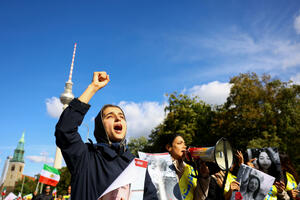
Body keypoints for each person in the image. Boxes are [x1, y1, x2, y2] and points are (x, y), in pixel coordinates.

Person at [55, 71, 158, 200]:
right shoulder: (85, 156)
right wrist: (93, 87)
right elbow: (65, 129)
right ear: (100, 126)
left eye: (122, 117)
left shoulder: (136, 165)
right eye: (110, 116)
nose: (118, 119)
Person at [163, 133, 210, 200]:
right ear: (169, 147)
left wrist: (204, 177)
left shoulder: (190, 169)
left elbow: (199, 198)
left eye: (184, 144)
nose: (184, 146)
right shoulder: (162, 168)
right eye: (179, 143)